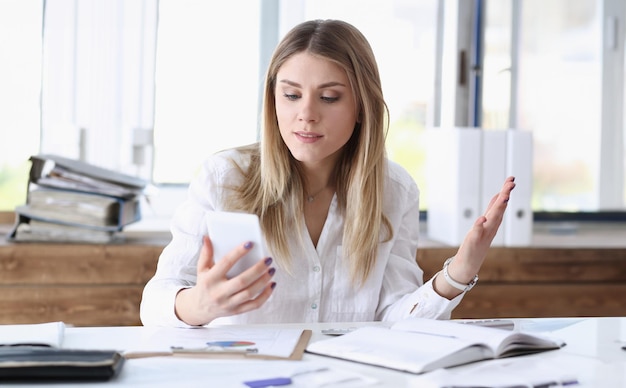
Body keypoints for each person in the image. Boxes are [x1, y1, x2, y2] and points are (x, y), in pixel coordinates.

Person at [140, 19, 516, 327]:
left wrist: (458, 274)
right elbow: (155, 302)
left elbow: (395, 321)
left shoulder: (395, 190)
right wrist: (198, 305)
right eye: (290, 95)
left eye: (329, 97)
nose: (306, 114)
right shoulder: (225, 178)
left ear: (360, 106)